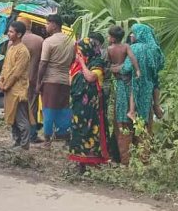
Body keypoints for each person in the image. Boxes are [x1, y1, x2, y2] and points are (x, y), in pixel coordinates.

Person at [117, 24, 165, 164]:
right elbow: (157, 74)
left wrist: (114, 67)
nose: (131, 35)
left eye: (133, 33)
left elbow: (126, 68)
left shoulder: (135, 48)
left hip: (127, 92)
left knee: (125, 127)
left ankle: (126, 163)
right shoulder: (156, 50)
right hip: (147, 93)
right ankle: (144, 161)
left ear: (139, 34)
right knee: (144, 127)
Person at [68, 38, 113, 170]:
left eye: (80, 52)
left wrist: (82, 63)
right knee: (78, 129)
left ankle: (93, 159)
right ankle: (80, 161)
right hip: (79, 105)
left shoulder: (97, 63)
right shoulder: (81, 63)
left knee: (90, 130)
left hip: (92, 106)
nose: (78, 55)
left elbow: (91, 77)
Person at [36, 14, 74, 148]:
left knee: (49, 109)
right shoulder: (71, 41)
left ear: (54, 24)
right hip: (65, 80)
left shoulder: (49, 42)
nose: (46, 26)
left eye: (47, 24)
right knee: (64, 109)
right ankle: (65, 137)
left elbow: (43, 64)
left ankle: (47, 140)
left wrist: (38, 82)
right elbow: (73, 61)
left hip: (50, 80)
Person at [0, 21, 31, 150]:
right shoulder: (11, 47)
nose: (8, 34)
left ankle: (24, 145)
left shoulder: (23, 51)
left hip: (18, 90)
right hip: (8, 88)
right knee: (11, 117)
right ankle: (16, 141)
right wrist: (1, 81)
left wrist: (5, 85)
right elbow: (5, 67)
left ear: (19, 34)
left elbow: (17, 72)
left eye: (11, 32)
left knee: (21, 119)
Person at [18, 16, 44, 143]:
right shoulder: (39, 40)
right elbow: (42, 62)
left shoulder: (16, 39)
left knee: (17, 106)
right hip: (33, 78)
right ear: (31, 26)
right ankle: (32, 135)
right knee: (32, 106)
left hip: (17, 80)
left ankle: (20, 135)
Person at [107, 25, 142, 120]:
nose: (108, 38)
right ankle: (131, 112)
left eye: (109, 36)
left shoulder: (109, 49)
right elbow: (132, 58)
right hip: (127, 75)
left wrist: (113, 68)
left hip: (118, 78)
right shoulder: (126, 46)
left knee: (121, 99)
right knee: (131, 93)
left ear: (113, 39)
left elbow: (108, 63)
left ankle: (122, 119)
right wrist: (138, 70)